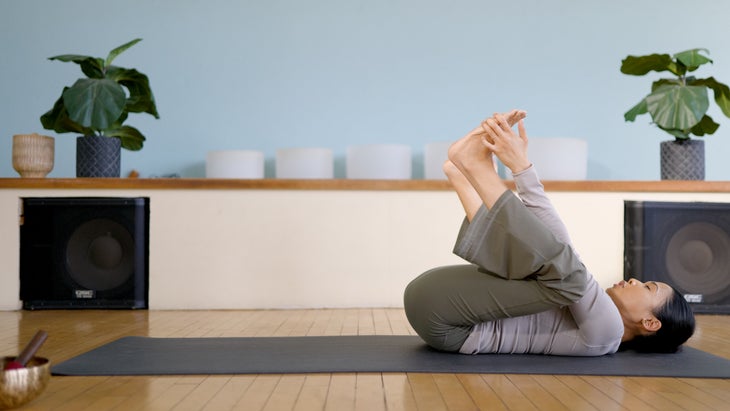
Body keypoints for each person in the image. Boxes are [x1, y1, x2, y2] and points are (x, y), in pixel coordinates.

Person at [403, 110, 695, 356]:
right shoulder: (567, 299)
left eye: (647, 288)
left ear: (651, 323)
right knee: (537, 261)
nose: (635, 280)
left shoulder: (608, 336)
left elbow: (566, 258)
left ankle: (478, 170)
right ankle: (466, 175)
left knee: (567, 273)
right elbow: (554, 247)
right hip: (440, 307)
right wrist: (520, 171)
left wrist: (522, 169)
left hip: (450, 325)